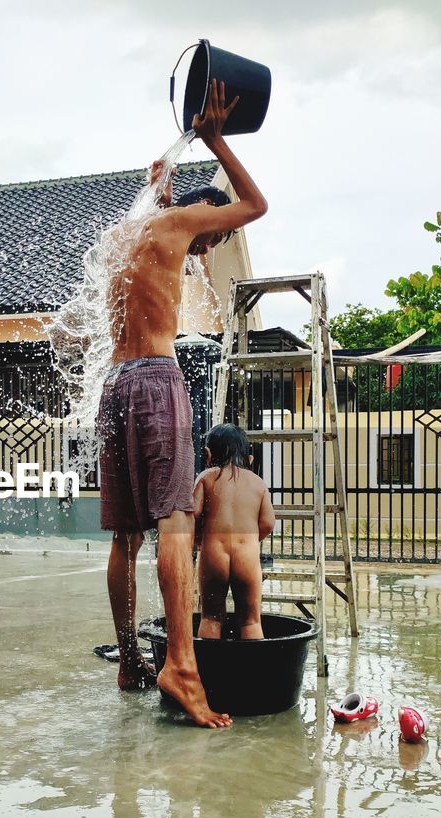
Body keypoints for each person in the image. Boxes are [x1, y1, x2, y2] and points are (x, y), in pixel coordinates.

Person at [98, 79, 268, 727]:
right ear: (202, 214)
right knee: (174, 522)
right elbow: (255, 203)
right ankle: (181, 667)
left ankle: (129, 661)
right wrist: (218, 140)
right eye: (211, 236)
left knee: (125, 538)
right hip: (155, 379)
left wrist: (165, 187)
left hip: (113, 387)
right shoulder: (187, 223)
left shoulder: (130, 236)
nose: (208, 248)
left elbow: (160, 233)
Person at [193, 424, 275, 640]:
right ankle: (253, 671)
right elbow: (268, 522)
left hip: (213, 554)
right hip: (247, 555)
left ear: (208, 455)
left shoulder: (206, 477)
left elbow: (193, 513)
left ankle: (209, 669)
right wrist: (250, 541)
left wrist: (198, 539)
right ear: (249, 459)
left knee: (210, 617)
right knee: (251, 620)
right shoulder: (258, 483)